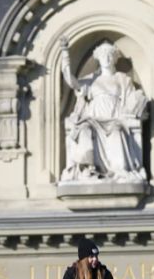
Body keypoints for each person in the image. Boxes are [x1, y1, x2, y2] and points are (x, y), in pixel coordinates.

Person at [60, 38, 147, 182]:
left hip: (115, 118)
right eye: (102, 55)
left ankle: (120, 171)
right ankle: (87, 169)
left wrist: (138, 104)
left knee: (117, 131)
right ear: (98, 58)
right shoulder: (90, 79)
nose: (106, 58)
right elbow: (71, 81)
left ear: (114, 59)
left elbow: (132, 99)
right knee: (84, 129)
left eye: (109, 55)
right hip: (94, 118)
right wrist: (65, 55)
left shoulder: (122, 79)